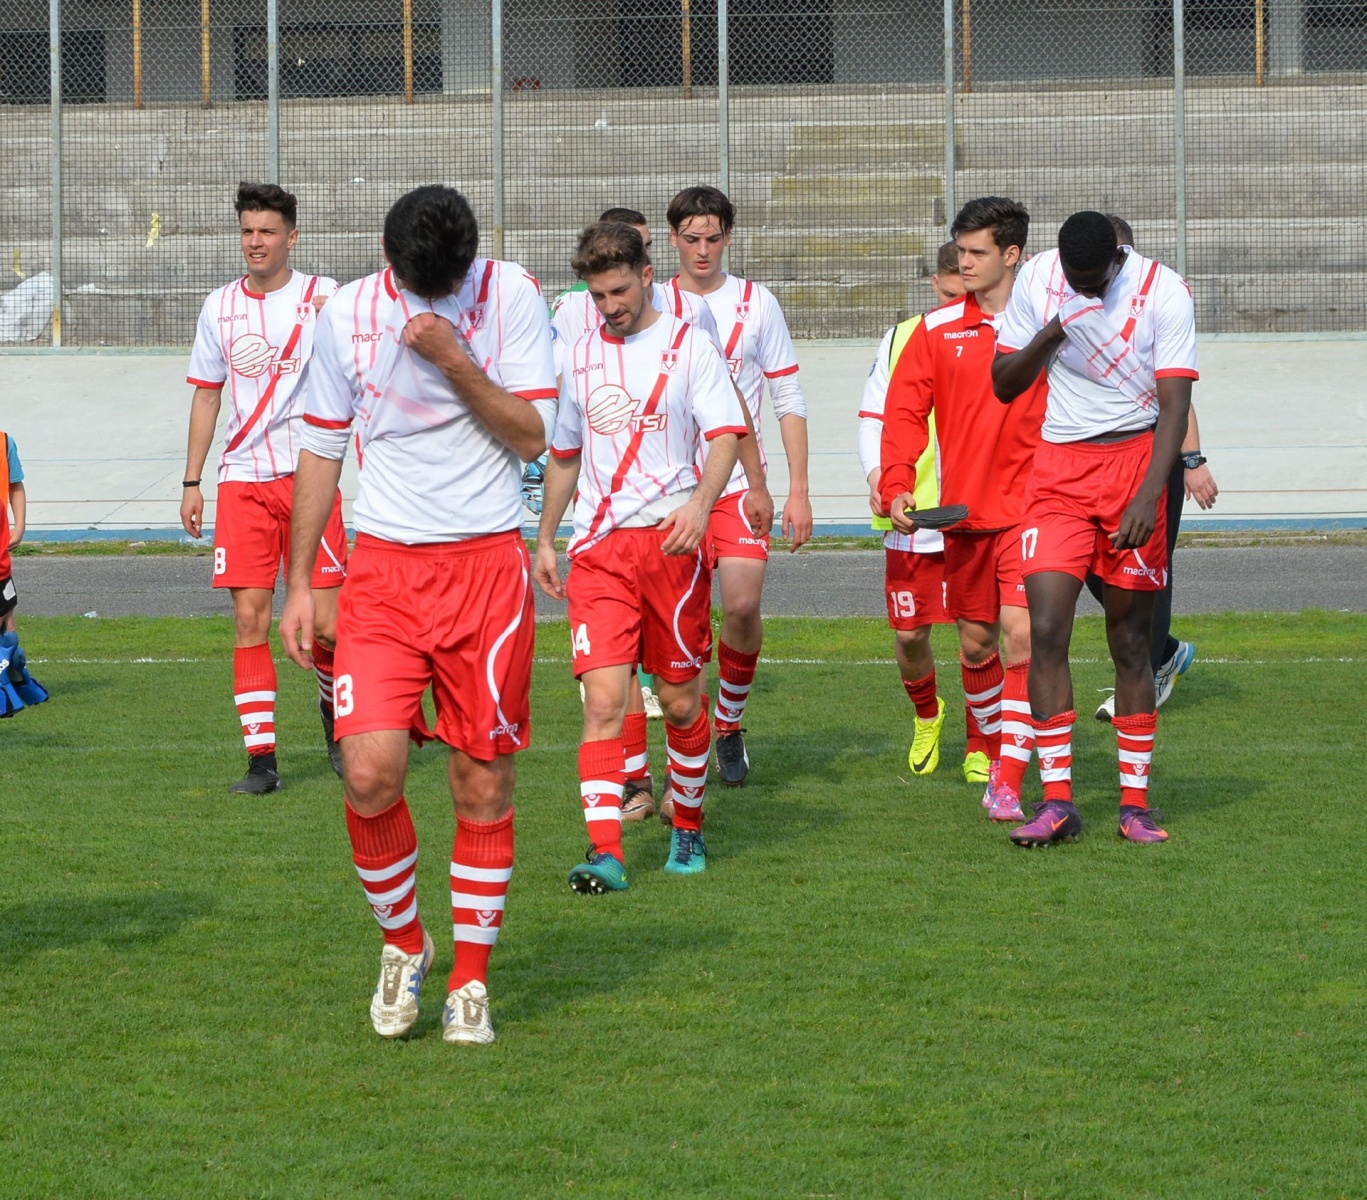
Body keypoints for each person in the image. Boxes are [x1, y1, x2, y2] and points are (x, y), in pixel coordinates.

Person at [281, 185, 557, 1043]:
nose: (430, 300)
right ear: (384, 255)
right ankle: (405, 943)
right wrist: (301, 582)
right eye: (418, 288)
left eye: (447, 286)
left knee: (481, 781)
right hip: (385, 572)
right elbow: (324, 444)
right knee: (367, 773)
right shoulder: (344, 313)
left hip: (485, 569)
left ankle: (469, 983)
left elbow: (531, 435)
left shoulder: (510, 294)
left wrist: (451, 356)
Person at [534, 220, 744, 890]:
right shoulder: (577, 356)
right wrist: (545, 536)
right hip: (598, 551)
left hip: (671, 544)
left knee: (681, 704)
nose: (610, 306)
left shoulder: (689, 348)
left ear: (647, 276)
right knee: (602, 701)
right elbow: (565, 454)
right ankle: (607, 853)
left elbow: (724, 438)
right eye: (597, 296)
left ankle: (687, 827)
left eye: (618, 291)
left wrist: (699, 505)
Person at [993, 209, 1198, 846]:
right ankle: (1058, 803)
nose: (1084, 287)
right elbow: (1004, 383)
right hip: (1058, 468)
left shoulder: (1164, 290)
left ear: (1118, 260)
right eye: (1073, 277)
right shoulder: (1038, 281)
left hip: (1134, 461)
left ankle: (1134, 806)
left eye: (1094, 279)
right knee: (1046, 626)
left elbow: (1174, 406)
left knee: (1130, 641)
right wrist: (1054, 329)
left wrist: (1147, 495)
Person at [879, 198, 1049, 821]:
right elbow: (902, 414)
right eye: (960, 251)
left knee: (1022, 634)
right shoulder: (936, 330)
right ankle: (993, 738)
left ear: (1012, 255)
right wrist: (896, 482)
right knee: (977, 646)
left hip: (1036, 510)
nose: (965, 261)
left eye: (977, 252)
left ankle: (1006, 777)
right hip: (966, 516)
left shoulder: (1048, 327)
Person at [180, 182, 345, 794]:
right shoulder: (218, 306)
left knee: (327, 625)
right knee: (250, 620)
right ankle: (262, 763)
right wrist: (193, 481)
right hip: (242, 482)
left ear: (291, 237)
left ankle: (333, 713)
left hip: (310, 480)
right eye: (248, 231)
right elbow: (206, 392)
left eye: (268, 231)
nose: (256, 242)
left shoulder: (325, 297)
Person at [669, 185, 813, 786]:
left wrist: (796, 488)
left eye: (714, 237)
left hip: (734, 490)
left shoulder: (756, 303)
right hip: (669, 488)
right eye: (691, 238)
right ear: (673, 238)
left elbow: (786, 396)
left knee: (745, 604)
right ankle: (682, 737)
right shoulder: (651, 304)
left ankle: (728, 722)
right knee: (680, 627)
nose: (703, 249)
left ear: (728, 236)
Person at [1091, 215, 1218, 722]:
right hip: (1092, 459)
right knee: (1084, 564)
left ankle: (1149, 668)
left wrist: (1192, 461)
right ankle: (1163, 650)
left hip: (1152, 457)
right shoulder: (1080, 305)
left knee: (1149, 568)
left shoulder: (1156, 302)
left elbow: (1177, 400)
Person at [857, 242, 963, 775]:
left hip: (978, 516)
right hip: (913, 517)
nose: (955, 304)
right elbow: (873, 419)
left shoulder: (1003, 332)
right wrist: (879, 478)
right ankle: (928, 714)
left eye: (965, 295)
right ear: (934, 285)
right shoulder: (903, 337)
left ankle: (987, 744)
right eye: (947, 294)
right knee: (909, 635)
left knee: (981, 633)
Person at [0, 430, 48, 717]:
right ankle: (13, 678)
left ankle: (11, 680)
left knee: (7, 628)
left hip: (0, 559)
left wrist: (19, 526)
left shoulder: (4, 443)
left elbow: (15, 485)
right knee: (6, 633)